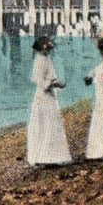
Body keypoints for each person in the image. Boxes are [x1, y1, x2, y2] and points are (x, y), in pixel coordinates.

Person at [26, 36, 72, 167]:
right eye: (45, 50)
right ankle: (44, 156)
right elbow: (39, 81)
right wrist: (53, 84)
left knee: (50, 124)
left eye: (48, 50)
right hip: (43, 97)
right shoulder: (39, 61)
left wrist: (56, 83)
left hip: (49, 95)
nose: (47, 52)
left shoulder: (46, 59)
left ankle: (51, 156)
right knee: (46, 124)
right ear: (39, 49)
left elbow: (49, 78)